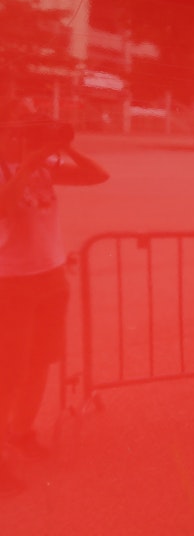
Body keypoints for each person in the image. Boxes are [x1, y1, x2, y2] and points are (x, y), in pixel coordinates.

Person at [0, 103, 108, 493]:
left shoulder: (47, 169)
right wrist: (25, 165)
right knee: (8, 373)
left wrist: (65, 148)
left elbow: (99, 176)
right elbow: (3, 208)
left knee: (40, 363)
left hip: (50, 276)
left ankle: (21, 432)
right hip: (11, 283)